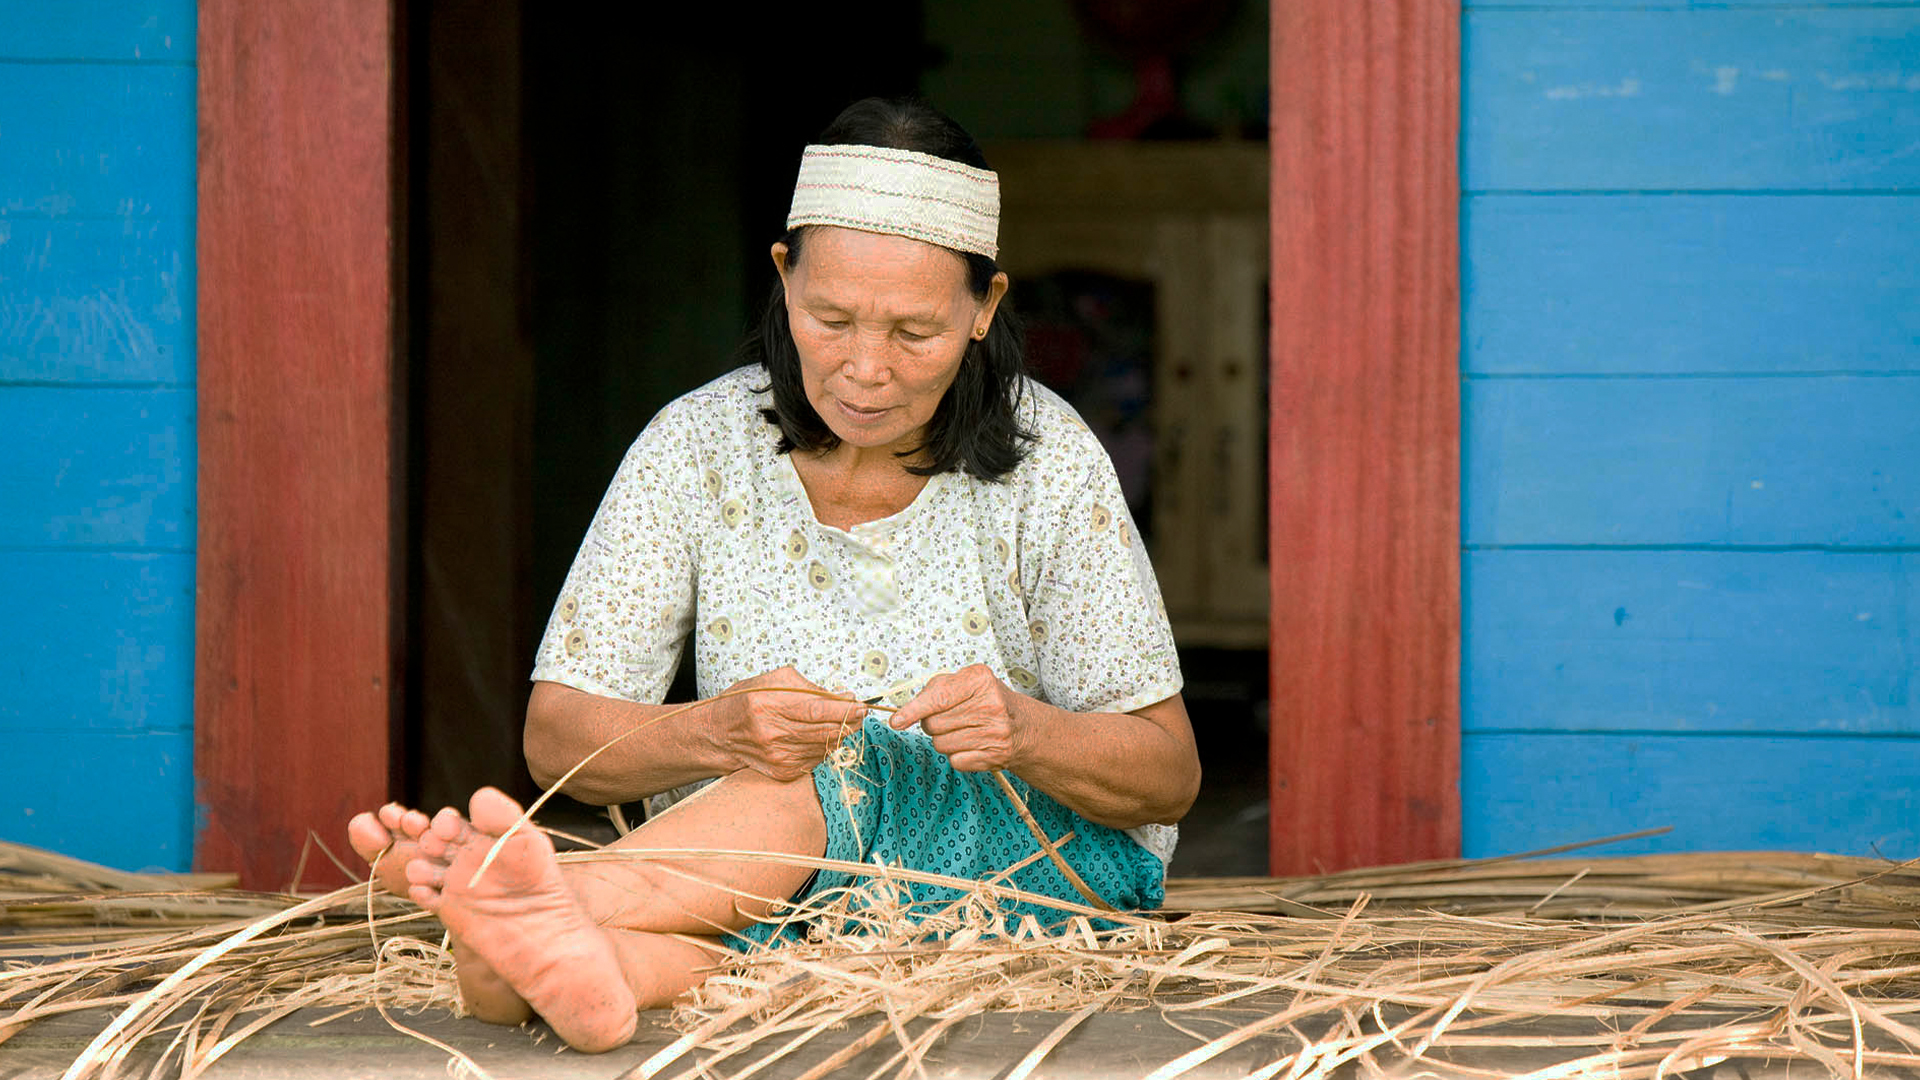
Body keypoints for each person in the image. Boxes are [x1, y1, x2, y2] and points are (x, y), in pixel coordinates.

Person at [348, 97, 1201, 1053]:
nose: (865, 369)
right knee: (752, 898)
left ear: (985, 309)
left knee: (843, 762)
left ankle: (523, 892)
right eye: (830, 318)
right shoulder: (696, 448)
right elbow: (556, 738)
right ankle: (573, 961)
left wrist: (1027, 730)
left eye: (914, 332)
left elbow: (1167, 776)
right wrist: (715, 730)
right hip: (768, 892)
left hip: (1026, 880)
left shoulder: (1048, 463)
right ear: (783, 279)